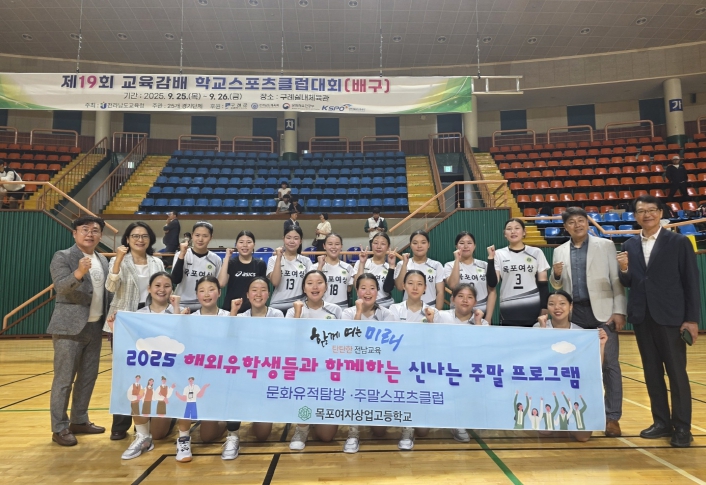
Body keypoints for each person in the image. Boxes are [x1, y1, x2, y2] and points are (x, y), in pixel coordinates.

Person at [617, 194, 700, 448]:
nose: (647, 215)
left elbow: (691, 281)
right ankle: (661, 422)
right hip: (642, 317)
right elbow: (629, 282)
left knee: (677, 374)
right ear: (635, 216)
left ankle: (683, 428)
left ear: (661, 213)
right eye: (642, 211)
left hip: (671, 318)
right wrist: (623, 270)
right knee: (652, 373)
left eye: (652, 210)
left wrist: (691, 319)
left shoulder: (679, 242)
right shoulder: (629, 244)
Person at [551, 206, 627, 438]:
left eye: (581, 220)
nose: (577, 225)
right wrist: (556, 275)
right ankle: (578, 415)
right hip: (575, 315)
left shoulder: (605, 245)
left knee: (609, 365)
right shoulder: (559, 251)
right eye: (572, 222)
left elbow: (616, 280)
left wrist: (619, 311)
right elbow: (558, 286)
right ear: (566, 227)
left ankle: (612, 417)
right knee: (575, 368)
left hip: (603, 313)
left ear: (587, 222)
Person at [48, 215, 111, 446]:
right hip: (69, 328)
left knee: (87, 377)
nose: (90, 234)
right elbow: (61, 287)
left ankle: (79, 420)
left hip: (95, 326)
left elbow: (106, 291)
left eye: (95, 230)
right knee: (64, 379)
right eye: (84, 229)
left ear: (100, 235)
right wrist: (79, 272)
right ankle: (59, 428)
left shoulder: (103, 259)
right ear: (75, 233)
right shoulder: (63, 256)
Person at [105, 221, 165, 440]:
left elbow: (163, 290)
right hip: (123, 322)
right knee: (125, 375)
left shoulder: (157, 262)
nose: (140, 240)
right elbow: (110, 287)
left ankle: (144, 423)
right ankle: (120, 425)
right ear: (127, 239)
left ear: (150, 239)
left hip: (151, 322)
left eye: (144, 236)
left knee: (151, 374)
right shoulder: (118, 260)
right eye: (135, 236)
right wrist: (118, 260)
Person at [120, 272, 180, 460]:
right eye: (157, 285)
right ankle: (142, 436)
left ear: (172, 290)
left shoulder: (180, 312)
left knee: (159, 434)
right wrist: (116, 326)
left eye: (167, 286)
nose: (162, 290)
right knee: (135, 387)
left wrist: (178, 312)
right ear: (149, 289)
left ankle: (170, 418)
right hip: (147, 374)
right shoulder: (138, 315)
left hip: (170, 377)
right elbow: (129, 344)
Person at [535, 290, 607, 442]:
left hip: (573, 390)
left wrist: (601, 345)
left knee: (583, 437)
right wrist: (542, 330)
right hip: (548, 389)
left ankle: (570, 418)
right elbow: (535, 361)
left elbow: (593, 367)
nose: (557, 308)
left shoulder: (580, 333)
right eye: (552, 304)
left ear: (571, 306)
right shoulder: (539, 327)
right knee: (545, 432)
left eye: (562, 303)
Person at [340, 273, 398, 453]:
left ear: (377, 291)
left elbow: (388, 347)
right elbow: (349, 341)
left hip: (377, 367)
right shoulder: (348, 313)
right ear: (357, 291)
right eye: (363, 288)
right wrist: (358, 312)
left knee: (380, 431)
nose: (367, 292)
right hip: (353, 367)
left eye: (372, 288)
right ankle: (353, 431)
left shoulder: (386, 314)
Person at [286, 270, 343, 451]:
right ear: (304, 288)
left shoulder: (336, 310)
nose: (315, 287)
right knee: (304, 395)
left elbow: (342, 341)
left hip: (327, 369)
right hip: (303, 368)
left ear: (326, 287)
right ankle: (301, 429)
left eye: (319, 282)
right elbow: (290, 341)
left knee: (326, 436)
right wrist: (298, 313)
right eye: (310, 283)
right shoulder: (294, 310)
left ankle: (316, 418)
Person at [388, 270, 437, 451]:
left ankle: (418, 420)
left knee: (423, 431)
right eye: (410, 283)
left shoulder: (433, 312)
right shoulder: (394, 309)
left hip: (422, 365)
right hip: (400, 363)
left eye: (419, 284)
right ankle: (406, 429)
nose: (415, 287)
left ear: (425, 288)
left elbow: (436, 342)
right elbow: (391, 339)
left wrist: (431, 323)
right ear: (403, 286)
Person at [487, 218, 549, 327]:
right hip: (508, 309)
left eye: (517, 228)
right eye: (509, 229)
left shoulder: (536, 252)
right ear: (504, 234)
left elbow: (543, 284)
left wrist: (544, 308)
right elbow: (492, 283)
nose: (513, 231)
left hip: (532, 307)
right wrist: (491, 259)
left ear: (524, 232)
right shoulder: (499, 254)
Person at [444, 231, 497, 321]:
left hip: (482, 313)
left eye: (469, 243)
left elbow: (492, 291)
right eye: (461, 243)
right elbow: (453, 285)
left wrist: (488, 318)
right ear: (456, 246)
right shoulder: (449, 265)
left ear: (474, 246)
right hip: (458, 315)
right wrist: (457, 260)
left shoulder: (484, 265)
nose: (465, 246)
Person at [171, 221, 222, 311]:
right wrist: (182, 254)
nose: (200, 239)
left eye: (205, 236)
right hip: (182, 304)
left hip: (205, 305)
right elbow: (175, 280)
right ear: (192, 235)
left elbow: (217, 285)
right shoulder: (180, 254)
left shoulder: (216, 259)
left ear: (211, 237)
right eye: (197, 235)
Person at [218, 230, 267, 314]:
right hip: (231, 309)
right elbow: (221, 283)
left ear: (254, 245)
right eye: (241, 242)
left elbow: (263, 289)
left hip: (252, 311)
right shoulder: (231, 263)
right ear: (236, 245)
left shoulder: (260, 264)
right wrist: (227, 257)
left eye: (249, 242)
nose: (245, 245)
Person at [394, 230, 445, 310]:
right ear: (410, 245)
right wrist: (404, 264)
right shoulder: (402, 264)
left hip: (430, 308)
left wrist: (437, 312)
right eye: (415, 243)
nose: (419, 246)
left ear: (428, 245)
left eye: (423, 242)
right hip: (407, 309)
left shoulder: (436, 265)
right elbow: (400, 287)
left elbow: (440, 292)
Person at [267, 226, 312, 313]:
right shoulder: (273, 259)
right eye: (288, 238)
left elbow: (310, 285)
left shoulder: (306, 261)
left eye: (296, 238)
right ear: (283, 239)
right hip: (277, 306)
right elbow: (275, 282)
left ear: (301, 241)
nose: (292, 241)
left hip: (300, 306)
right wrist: (279, 257)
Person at [352, 233, 397, 308]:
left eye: (383, 244)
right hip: (365, 306)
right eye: (375, 243)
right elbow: (356, 285)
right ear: (371, 245)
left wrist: (391, 266)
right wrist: (362, 263)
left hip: (386, 306)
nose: (378, 246)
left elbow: (389, 288)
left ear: (388, 246)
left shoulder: (390, 267)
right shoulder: (361, 263)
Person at [317, 233, 353, 308]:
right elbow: (314, 288)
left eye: (337, 244)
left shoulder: (348, 267)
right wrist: (320, 266)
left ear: (341, 246)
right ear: (324, 246)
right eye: (330, 244)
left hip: (342, 308)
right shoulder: (315, 267)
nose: (333, 247)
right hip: (322, 309)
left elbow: (349, 289)